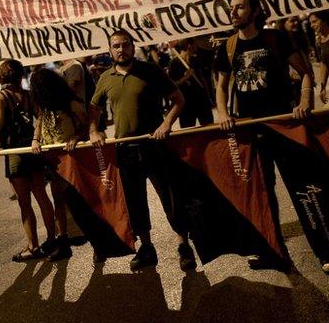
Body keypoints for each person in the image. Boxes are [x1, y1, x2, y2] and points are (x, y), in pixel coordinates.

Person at [214, 0, 329, 274]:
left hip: (283, 127)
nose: (233, 12)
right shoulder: (229, 46)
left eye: (239, 7)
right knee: (261, 192)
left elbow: (306, 71)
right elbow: (221, 86)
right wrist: (223, 113)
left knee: (302, 189)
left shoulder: (276, 38)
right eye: (231, 8)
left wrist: (305, 100)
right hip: (250, 131)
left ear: (255, 11)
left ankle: (325, 252)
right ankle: (272, 250)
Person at [90, 29, 193, 271]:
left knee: (171, 198)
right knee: (135, 202)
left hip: (154, 146)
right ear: (110, 50)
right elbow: (93, 110)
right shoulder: (105, 78)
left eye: (125, 45)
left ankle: (184, 245)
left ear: (133, 46)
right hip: (124, 150)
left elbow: (179, 100)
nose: (121, 50)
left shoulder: (150, 70)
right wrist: (94, 131)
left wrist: (166, 124)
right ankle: (147, 248)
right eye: (116, 46)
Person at [0, 59, 56, 262]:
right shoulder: (29, 95)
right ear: (20, 75)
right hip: (33, 148)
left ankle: (33, 246)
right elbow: (40, 118)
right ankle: (52, 238)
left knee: (24, 202)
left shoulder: (0, 96)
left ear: (1, 76)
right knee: (42, 196)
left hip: (14, 152)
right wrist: (35, 138)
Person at [29, 67, 90, 261]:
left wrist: (76, 136)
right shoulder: (44, 108)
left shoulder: (71, 103)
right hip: (53, 162)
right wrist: (35, 140)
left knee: (81, 201)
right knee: (58, 201)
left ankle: (96, 241)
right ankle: (63, 242)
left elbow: (88, 124)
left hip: (73, 161)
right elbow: (38, 124)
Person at [167, 39, 215, 128]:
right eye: (194, 45)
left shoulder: (195, 60)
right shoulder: (174, 63)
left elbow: (202, 79)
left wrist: (208, 96)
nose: (196, 47)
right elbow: (171, 85)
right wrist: (185, 78)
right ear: (189, 46)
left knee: (209, 126)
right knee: (188, 129)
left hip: (201, 100)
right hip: (186, 103)